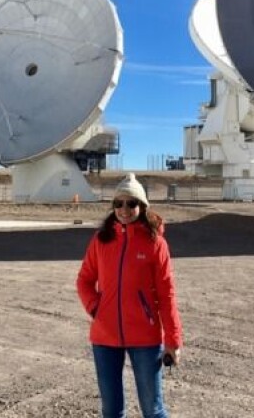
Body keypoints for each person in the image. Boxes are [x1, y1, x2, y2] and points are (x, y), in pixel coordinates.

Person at [76, 173, 183, 418]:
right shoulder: (101, 240)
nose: (124, 209)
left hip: (145, 337)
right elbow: (84, 280)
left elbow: (167, 295)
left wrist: (173, 341)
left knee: (152, 410)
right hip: (105, 337)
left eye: (131, 203)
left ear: (142, 206)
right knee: (111, 411)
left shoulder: (155, 244)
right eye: (118, 203)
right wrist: (95, 308)